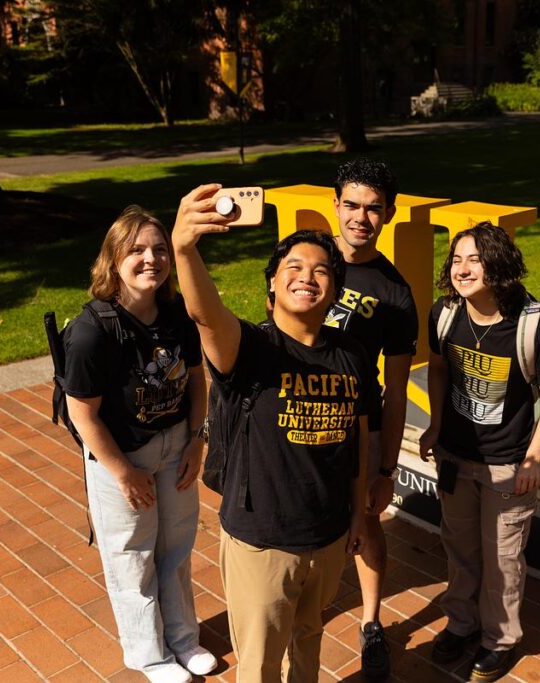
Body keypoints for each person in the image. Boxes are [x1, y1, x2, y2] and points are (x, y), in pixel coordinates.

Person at [171, 184, 374, 683]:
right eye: (294, 269)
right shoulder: (251, 349)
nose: (308, 277)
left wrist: (358, 513)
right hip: (263, 543)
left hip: (327, 537)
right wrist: (184, 249)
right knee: (259, 664)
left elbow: (358, 438)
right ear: (271, 289)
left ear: (334, 292)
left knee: (308, 642)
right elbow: (204, 315)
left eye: (322, 270)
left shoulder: (351, 356)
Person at [63, 205, 217, 683]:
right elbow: (82, 413)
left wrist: (196, 440)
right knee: (132, 556)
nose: (151, 259)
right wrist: (123, 472)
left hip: (175, 446)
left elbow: (196, 379)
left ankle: (184, 640)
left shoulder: (175, 315)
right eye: (136, 250)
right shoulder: (92, 331)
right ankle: (149, 655)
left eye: (159, 250)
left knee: (176, 547)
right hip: (121, 456)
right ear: (113, 260)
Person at [418, 222, 540, 682]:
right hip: (455, 457)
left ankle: (499, 640)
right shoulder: (445, 314)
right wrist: (435, 425)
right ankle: (461, 624)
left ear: (498, 265)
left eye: (474, 260)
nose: (462, 270)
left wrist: (533, 458)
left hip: (508, 466)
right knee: (460, 548)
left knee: (503, 558)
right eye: (456, 260)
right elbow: (441, 370)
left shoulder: (534, 325)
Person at [325, 158, 417, 680]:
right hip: (301, 412)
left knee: (367, 521)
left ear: (389, 214)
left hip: (361, 426)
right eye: (352, 205)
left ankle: (372, 622)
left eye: (373, 208)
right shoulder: (305, 256)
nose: (361, 217)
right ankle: (303, 606)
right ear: (335, 205)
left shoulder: (396, 293)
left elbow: (398, 391)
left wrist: (386, 471)